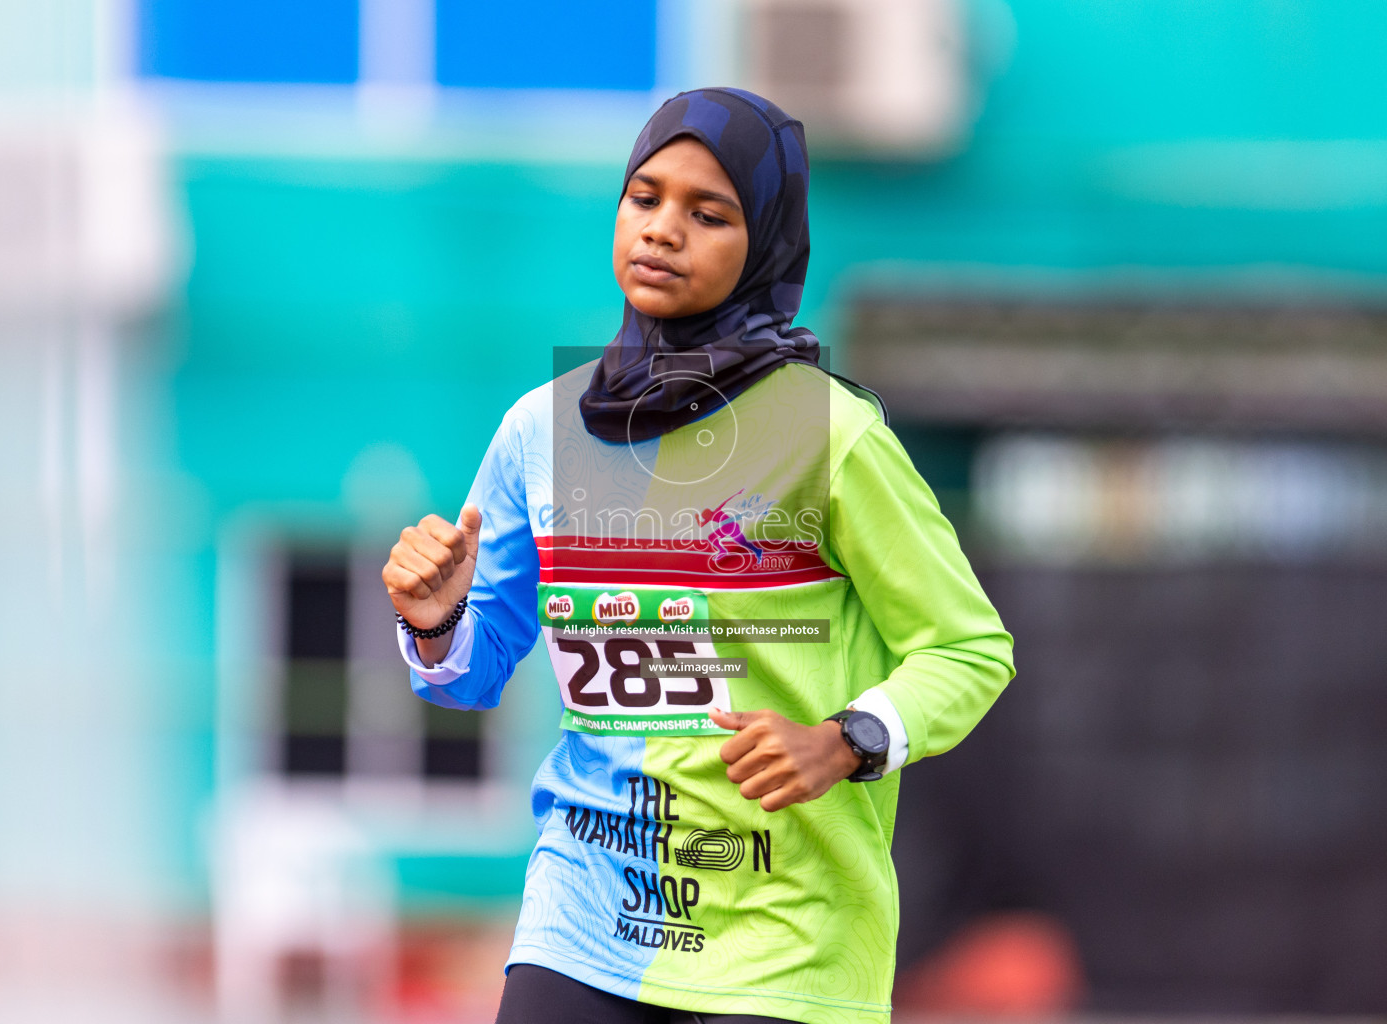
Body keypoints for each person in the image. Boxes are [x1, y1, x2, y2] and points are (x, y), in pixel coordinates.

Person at [382, 88, 1014, 1024]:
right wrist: (431, 621)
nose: (663, 231)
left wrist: (847, 740)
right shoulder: (537, 430)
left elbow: (968, 650)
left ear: (763, 243)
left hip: (784, 933)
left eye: (708, 213)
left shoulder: (831, 433)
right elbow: (467, 678)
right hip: (586, 906)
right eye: (644, 198)